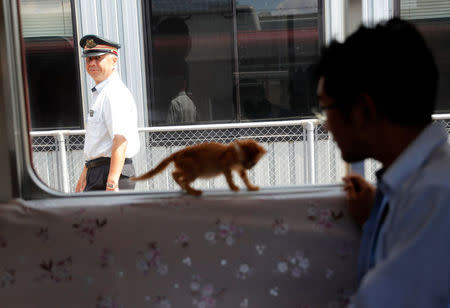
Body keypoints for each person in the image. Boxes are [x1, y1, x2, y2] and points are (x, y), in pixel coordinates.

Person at [315, 18, 450, 307]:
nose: (326, 125)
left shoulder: (434, 197)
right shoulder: (414, 190)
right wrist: (374, 218)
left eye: (327, 109)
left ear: (364, 109)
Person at [75, 34, 140, 192]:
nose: (92, 63)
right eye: (89, 59)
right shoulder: (102, 93)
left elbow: (120, 140)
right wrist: (86, 172)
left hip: (109, 172)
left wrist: (112, 182)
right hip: (98, 170)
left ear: (114, 61)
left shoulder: (114, 93)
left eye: (98, 58)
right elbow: (99, 144)